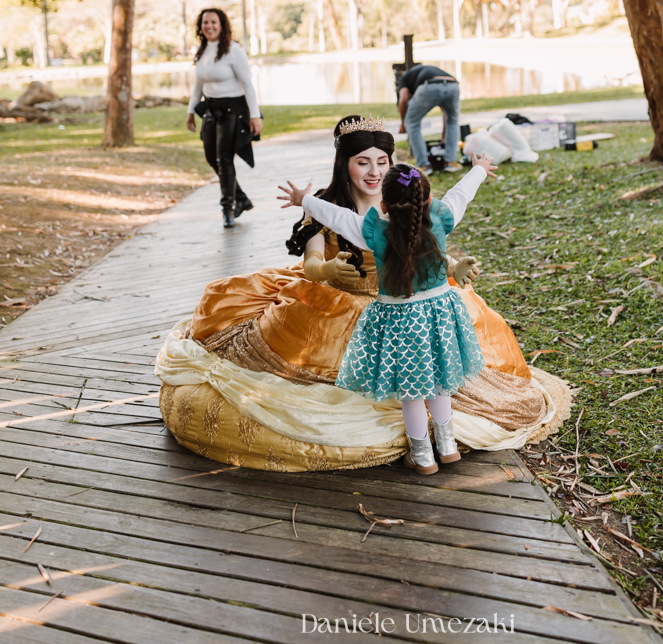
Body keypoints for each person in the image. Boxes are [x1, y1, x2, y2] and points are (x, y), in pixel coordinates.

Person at [156, 114, 570, 472]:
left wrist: (451, 265)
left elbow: (432, 235)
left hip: (402, 301)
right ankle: (436, 445)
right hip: (340, 300)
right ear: (345, 164)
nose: (373, 172)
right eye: (362, 162)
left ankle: (427, 448)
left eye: (381, 162)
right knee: (414, 378)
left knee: (427, 379)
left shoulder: (402, 208)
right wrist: (326, 268)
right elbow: (314, 257)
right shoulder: (335, 206)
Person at [279, 155, 495, 474]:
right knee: (439, 384)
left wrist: (305, 200)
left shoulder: (375, 232)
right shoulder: (441, 216)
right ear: (428, 199)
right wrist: (478, 170)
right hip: (440, 315)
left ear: (383, 205)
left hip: (401, 321)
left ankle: (423, 456)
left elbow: (338, 218)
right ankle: (448, 446)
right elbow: (460, 195)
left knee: (412, 392)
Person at [186, 8, 263, 228]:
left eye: (213, 22)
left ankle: (227, 209)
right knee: (212, 157)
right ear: (200, 26)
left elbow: (247, 85)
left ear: (222, 25)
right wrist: (190, 111)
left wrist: (255, 116)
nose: (209, 26)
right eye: (205, 22)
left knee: (224, 159)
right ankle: (241, 198)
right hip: (211, 109)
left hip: (233, 111)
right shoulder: (202, 50)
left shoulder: (233, 49)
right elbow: (198, 85)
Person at [398, 62, 462, 173]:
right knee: (452, 121)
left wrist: (403, 123)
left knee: (411, 123)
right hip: (453, 85)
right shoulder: (428, 70)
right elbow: (445, 113)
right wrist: (444, 136)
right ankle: (450, 162)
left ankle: (424, 166)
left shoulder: (404, 78)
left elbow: (403, 100)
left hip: (430, 85)